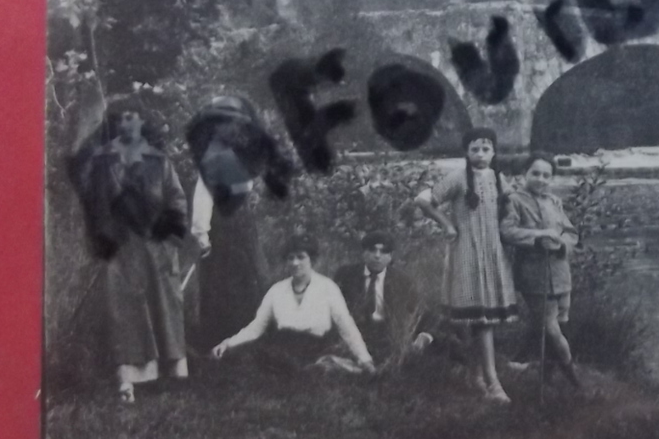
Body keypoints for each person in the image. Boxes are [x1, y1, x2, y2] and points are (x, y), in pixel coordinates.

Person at [67, 97, 191, 402]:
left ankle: (169, 373)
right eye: (121, 118)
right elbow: (95, 206)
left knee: (163, 305)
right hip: (122, 247)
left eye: (133, 117)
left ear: (142, 121)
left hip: (157, 245)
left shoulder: (159, 161)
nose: (127, 123)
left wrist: (170, 232)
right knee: (125, 311)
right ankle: (129, 380)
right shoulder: (103, 161)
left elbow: (176, 199)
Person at [414, 128, 518, 402]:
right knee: (480, 319)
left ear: (494, 152)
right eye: (475, 149)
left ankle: (476, 376)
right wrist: (447, 224)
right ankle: (493, 383)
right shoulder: (458, 178)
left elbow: (512, 208)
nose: (481, 154)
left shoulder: (499, 179)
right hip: (466, 254)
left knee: (480, 319)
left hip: (492, 253)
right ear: (467, 152)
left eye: (486, 148)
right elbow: (423, 200)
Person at [210, 235, 375, 372]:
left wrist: (365, 359)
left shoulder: (327, 287)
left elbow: (346, 325)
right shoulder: (277, 290)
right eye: (291, 258)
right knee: (245, 356)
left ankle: (311, 369)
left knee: (309, 366)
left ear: (313, 259)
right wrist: (228, 343)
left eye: (301, 257)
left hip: (314, 347)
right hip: (283, 346)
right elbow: (256, 327)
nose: (295, 263)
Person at [185, 95, 272, 356]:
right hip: (223, 230)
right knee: (223, 282)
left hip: (242, 227)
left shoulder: (231, 154)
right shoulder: (213, 155)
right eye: (225, 123)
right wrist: (202, 236)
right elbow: (203, 198)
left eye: (235, 123)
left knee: (247, 277)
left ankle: (244, 337)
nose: (232, 128)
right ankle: (220, 338)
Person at [501, 153, 581, 389]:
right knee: (550, 328)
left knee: (562, 323)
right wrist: (537, 238)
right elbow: (507, 231)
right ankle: (573, 377)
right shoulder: (513, 200)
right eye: (535, 173)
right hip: (534, 274)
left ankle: (547, 376)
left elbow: (571, 232)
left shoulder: (554, 202)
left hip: (560, 271)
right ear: (523, 174)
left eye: (547, 175)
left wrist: (562, 244)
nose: (541, 179)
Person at [332, 231, 422, 366]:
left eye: (384, 251)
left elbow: (418, 311)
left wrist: (421, 337)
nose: (377, 256)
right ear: (364, 253)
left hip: (387, 336)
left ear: (390, 256)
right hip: (354, 333)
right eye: (372, 250)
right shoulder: (346, 275)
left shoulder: (403, 281)